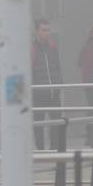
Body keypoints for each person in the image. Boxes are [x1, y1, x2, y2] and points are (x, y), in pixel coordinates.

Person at [31, 19, 63, 148]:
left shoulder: (53, 47)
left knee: (56, 122)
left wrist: (60, 83)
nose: (47, 33)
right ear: (37, 31)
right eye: (44, 30)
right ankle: (40, 150)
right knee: (38, 123)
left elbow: (57, 66)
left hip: (53, 91)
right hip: (38, 93)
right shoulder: (31, 48)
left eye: (48, 30)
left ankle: (54, 149)